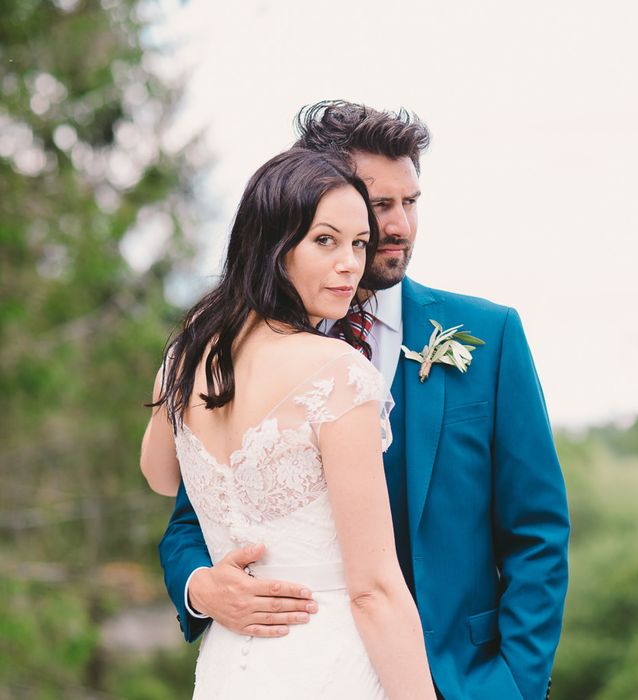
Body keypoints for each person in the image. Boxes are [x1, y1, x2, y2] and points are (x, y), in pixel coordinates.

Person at [159, 102, 570, 700]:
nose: (400, 225)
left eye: (412, 202)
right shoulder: (243, 351)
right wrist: (201, 586)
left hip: (462, 679)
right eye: (380, 206)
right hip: (298, 668)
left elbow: (537, 532)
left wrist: (513, 686)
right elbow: (192, 513)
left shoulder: (491, 335)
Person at [140, 147, 436, 698]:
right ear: (273, 246)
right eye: (325, 241)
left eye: (358, 243)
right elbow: (374, 591)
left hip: (231, 666)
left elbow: (160, 475)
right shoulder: (337, 371)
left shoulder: (186, 355)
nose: (349, 263)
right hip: (330, 662)